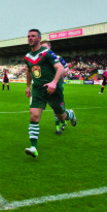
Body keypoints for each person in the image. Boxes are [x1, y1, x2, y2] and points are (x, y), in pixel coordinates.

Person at [24, 29, 76, 158]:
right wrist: (28, 86)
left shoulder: (47, 53)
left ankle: (70, 114)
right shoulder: (27, 57)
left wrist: (53, 82)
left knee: (61, 117)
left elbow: (61, 68)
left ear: (39, 39)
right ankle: (33, 147)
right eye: (29, 36)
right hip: (38, 90)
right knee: (34, 116)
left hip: (52, 89)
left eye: (33, 36)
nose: (30, 38)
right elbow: (30, 72)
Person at [41, 40, 69, 135]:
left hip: (58, 85)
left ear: (49, 47)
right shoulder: (41, 60)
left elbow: (66, 67)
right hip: (46, 86)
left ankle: (61, 122)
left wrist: (60, 73)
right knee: (54, 107)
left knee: (58, 107)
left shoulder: (57, 58)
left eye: (45, 47)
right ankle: (59, 125)